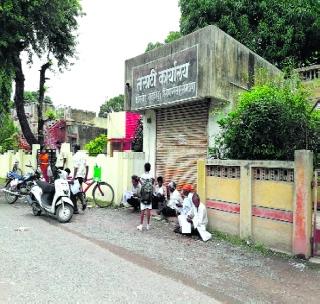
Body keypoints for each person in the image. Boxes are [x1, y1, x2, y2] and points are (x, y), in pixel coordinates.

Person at [137, 162, 154, 231]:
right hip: (149, 194)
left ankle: (141, 225)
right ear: (150, 168)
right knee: (148, 210)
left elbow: (142, 184)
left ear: (144, 168)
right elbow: (152, 183)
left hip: (143, 194)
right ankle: (148, 225)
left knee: (142, 210)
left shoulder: (142, 175)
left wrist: (139, 180)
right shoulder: (151, 176)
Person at [72, 145, 89, 214]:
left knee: (73, 192)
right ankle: (83, 202)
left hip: (77, 176)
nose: (73, 150)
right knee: (78, 191)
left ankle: (75, 209)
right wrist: (86, 176)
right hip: (82, 176)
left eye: (73, 148)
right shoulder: (84, 155)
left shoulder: (75, 156)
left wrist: (73, 177)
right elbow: (87, 166)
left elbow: (76, 168)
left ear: (75, 149)